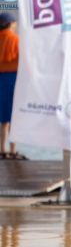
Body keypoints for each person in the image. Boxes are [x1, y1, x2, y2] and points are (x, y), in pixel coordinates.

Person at [0, 12, 26, 160]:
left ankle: (1, 148)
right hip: (14, 78)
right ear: (10, 24)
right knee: (14, 116)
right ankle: (13, 149)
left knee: (3, 118)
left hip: (1, 78)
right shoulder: (16, 40)